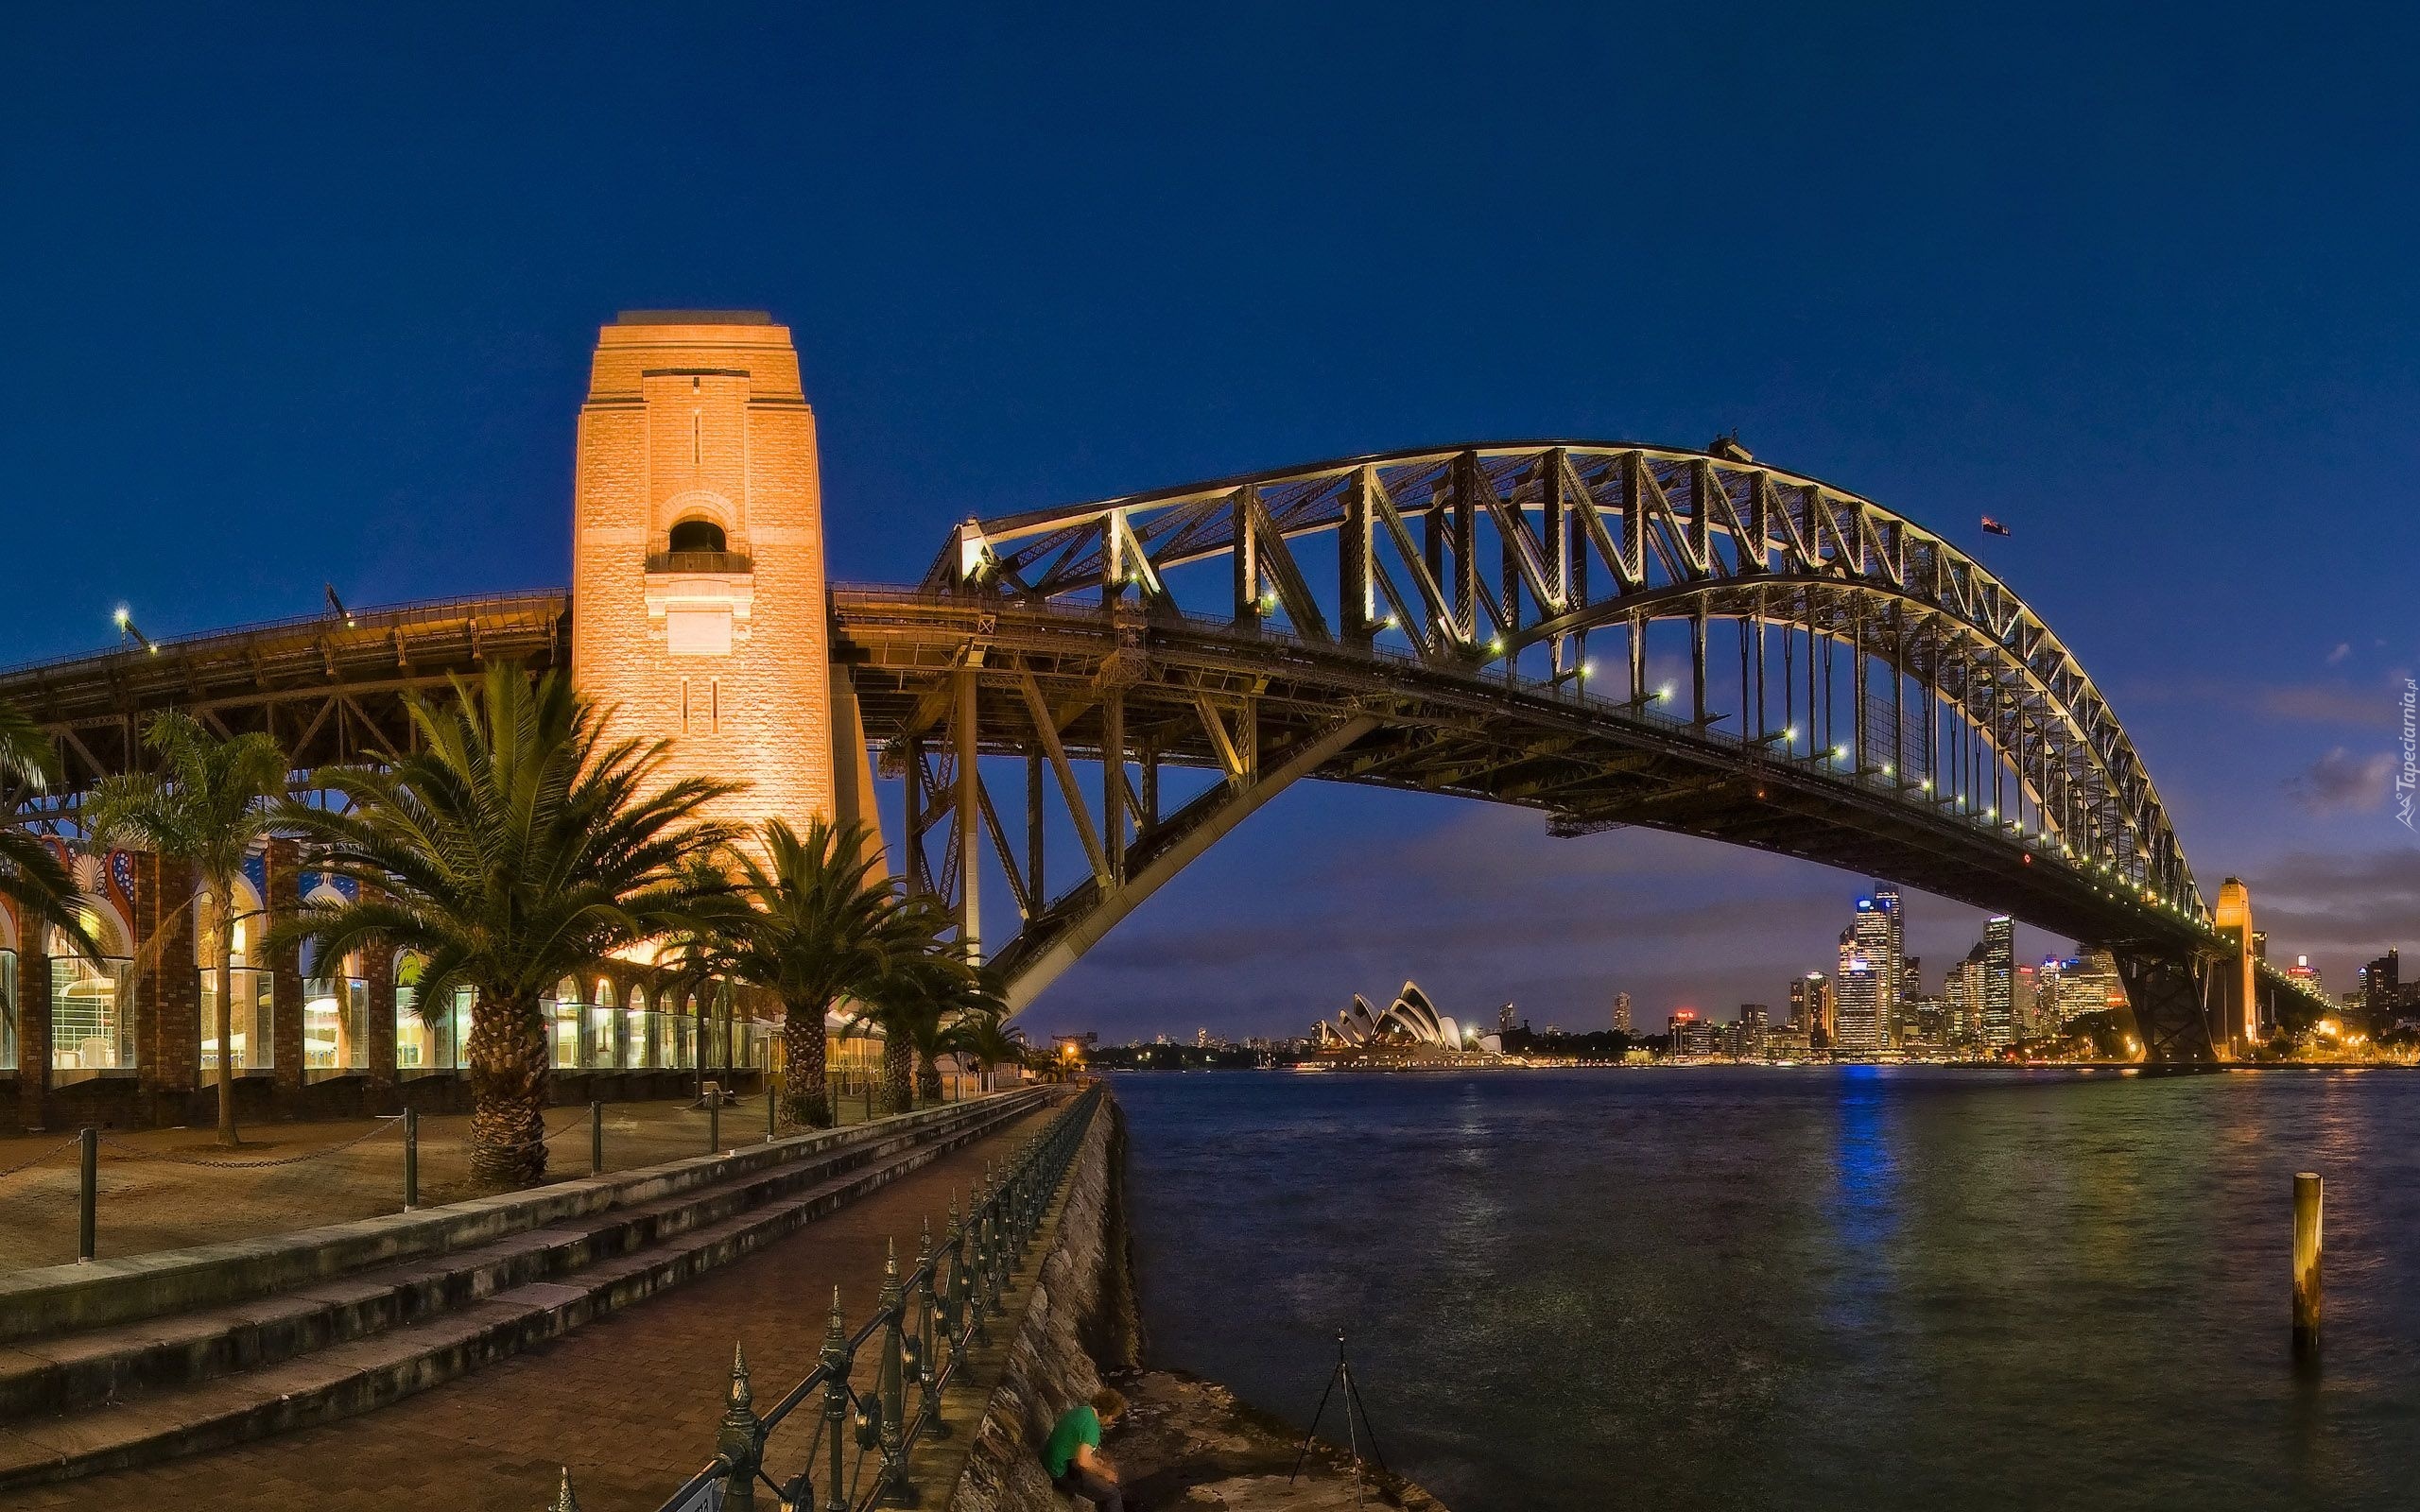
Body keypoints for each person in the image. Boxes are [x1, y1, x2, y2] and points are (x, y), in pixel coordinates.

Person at [1043, 1386, 1128, 1510]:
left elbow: (1077, 1446)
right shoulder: (1092, 1428)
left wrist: (1093, 1460)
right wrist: (1105, 1472)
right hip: (1058, 1471)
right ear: (1107, 1412)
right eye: (1112, 1417)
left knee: (1099, 1481)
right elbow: (1083, 1462)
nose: (1110, 1421)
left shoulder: (1083, 1410)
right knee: (1113, 1495)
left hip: (1051, 1459)